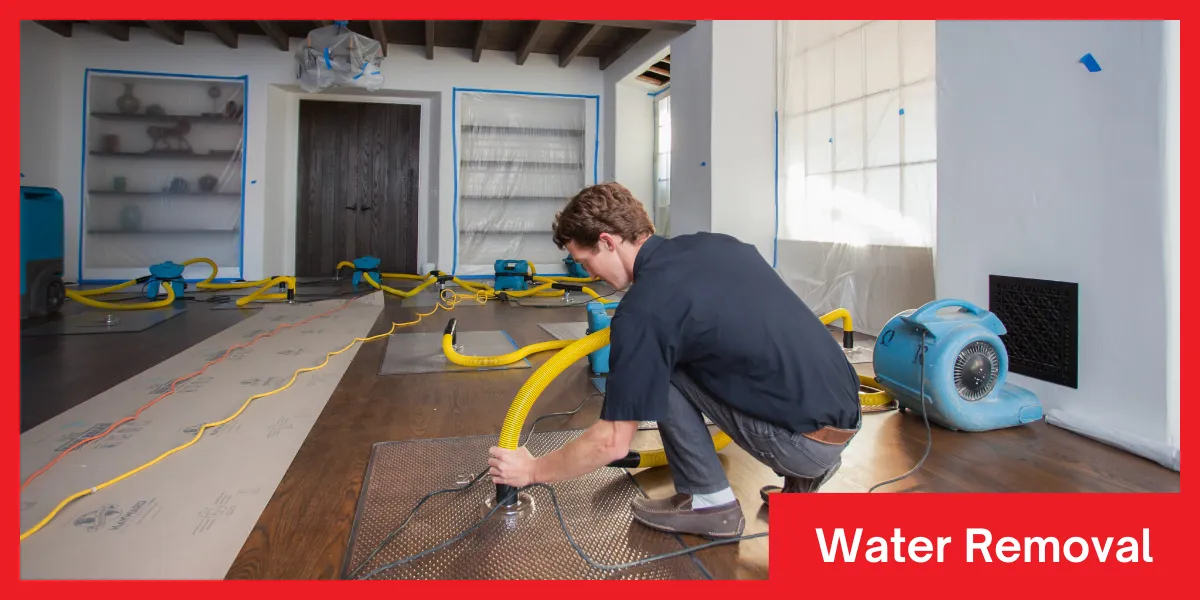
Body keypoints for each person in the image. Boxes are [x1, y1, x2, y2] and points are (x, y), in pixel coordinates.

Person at [487, 182, 861, 539]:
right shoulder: (719, 245)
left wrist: (533, 469)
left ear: (607, 241)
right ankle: (805, 480)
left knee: (662, 367)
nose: (589, 275)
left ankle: (710, 503)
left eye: (586, 262)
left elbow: (612, 443)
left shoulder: (643, 310)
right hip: (847, 414)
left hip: (806, 446)